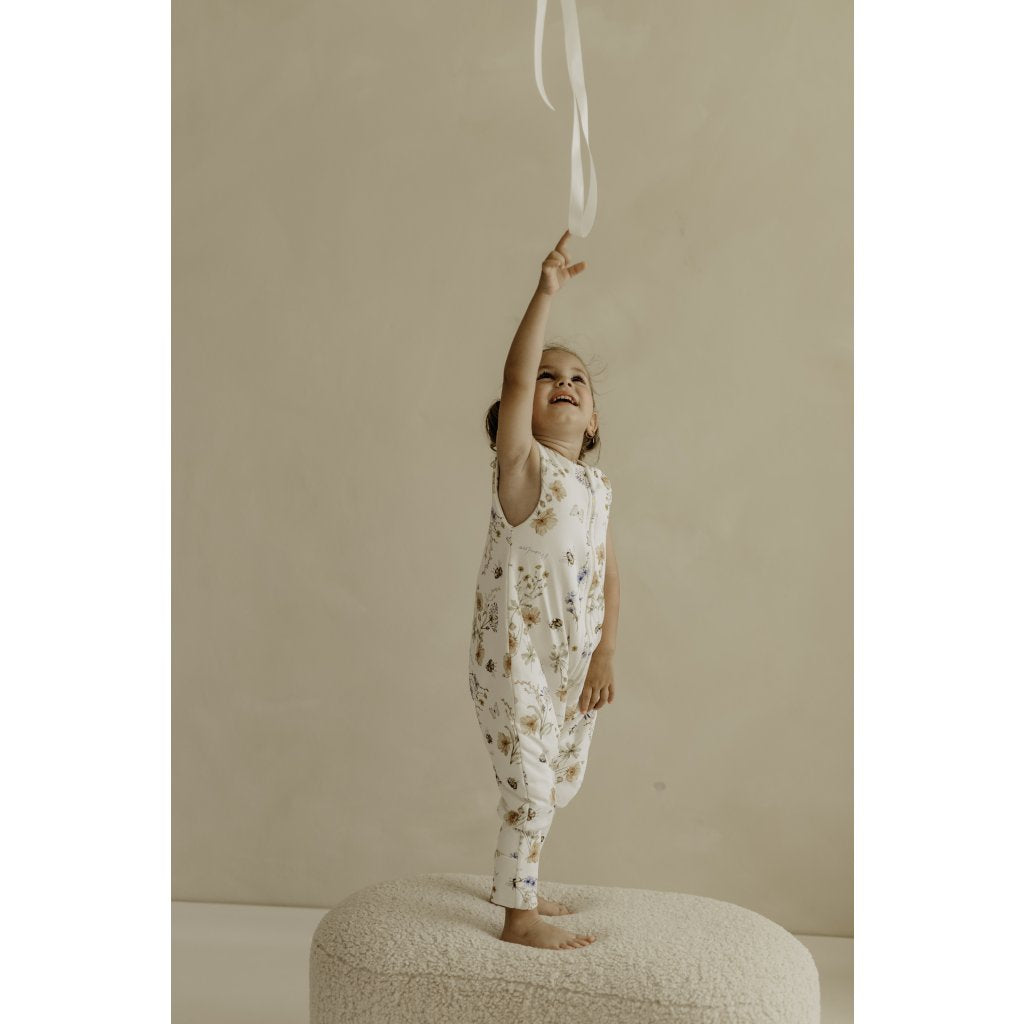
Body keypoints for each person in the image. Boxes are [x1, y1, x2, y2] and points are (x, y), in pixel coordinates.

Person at [468, 230, 620, 950]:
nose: (563, 382)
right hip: (515, 657)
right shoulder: (524, 471)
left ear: (593, 421)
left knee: (559, 778)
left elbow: (610, 572)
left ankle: (521, 881)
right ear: (516, 413)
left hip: (573, 661)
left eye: (578, 380)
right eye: (547, 376)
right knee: (529, 782)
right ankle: (517, 916)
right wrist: (546, 292)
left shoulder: (596, 487)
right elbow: (514, 376)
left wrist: (605, 654)